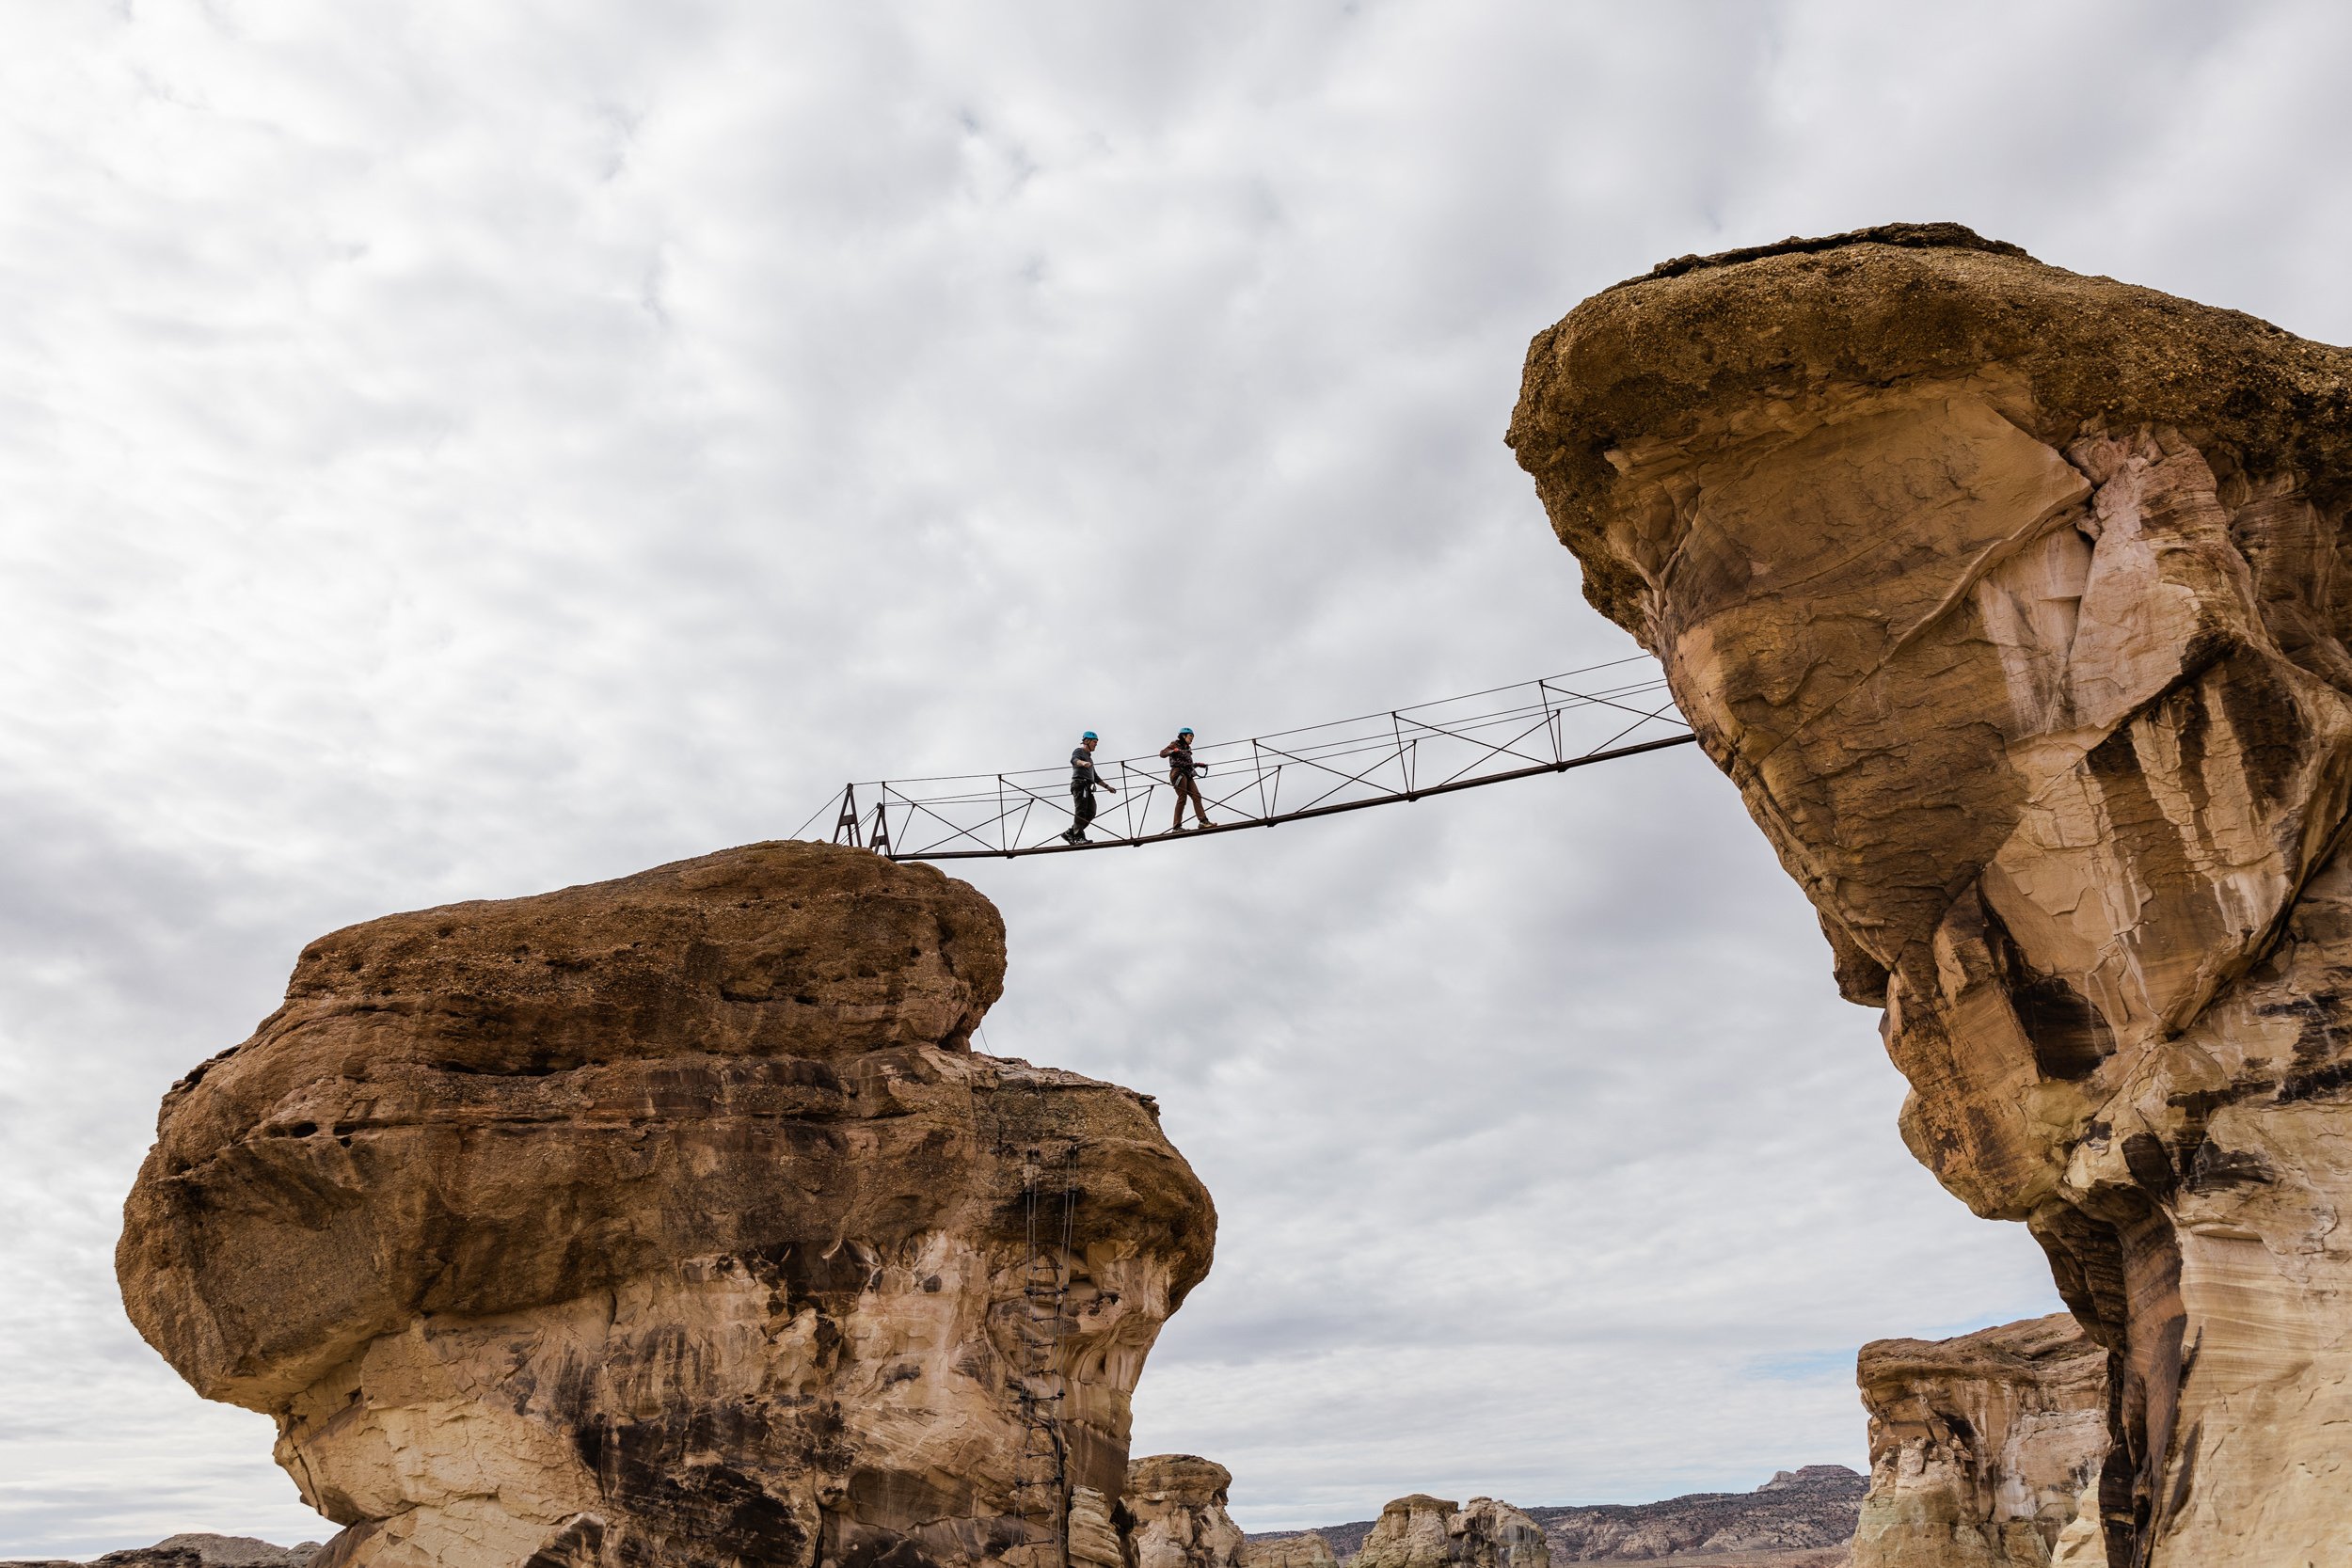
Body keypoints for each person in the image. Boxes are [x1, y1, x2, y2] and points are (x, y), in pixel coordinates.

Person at [1063, 731, 1116, 844]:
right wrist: (1083, 763)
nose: (1096, 744)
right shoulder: (1079, 751)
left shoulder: (1090, 759)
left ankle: (1071, 832)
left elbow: (1095, 777)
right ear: (1087, 741)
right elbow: (1074, 760)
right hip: (1079, 785)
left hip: (1088, 787)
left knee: (1091, 812)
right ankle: (1078, 837)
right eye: (1094, 742)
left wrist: (1107, 787)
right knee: (1081, 811)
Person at [1160, 726, 1211, 832]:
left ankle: (1203, 821)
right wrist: (1173, 751)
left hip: (1188, 774)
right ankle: (1176, 827)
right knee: (1182, 798)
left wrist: (1198, 764)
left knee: (1197, 796)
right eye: (1190, 736)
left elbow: (1187, 764)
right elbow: (1162, 753)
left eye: (1193, 737)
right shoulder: (1175, 744)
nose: (1192, 738)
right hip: (1178, 773)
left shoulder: (1187, 749)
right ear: (1183, 736)